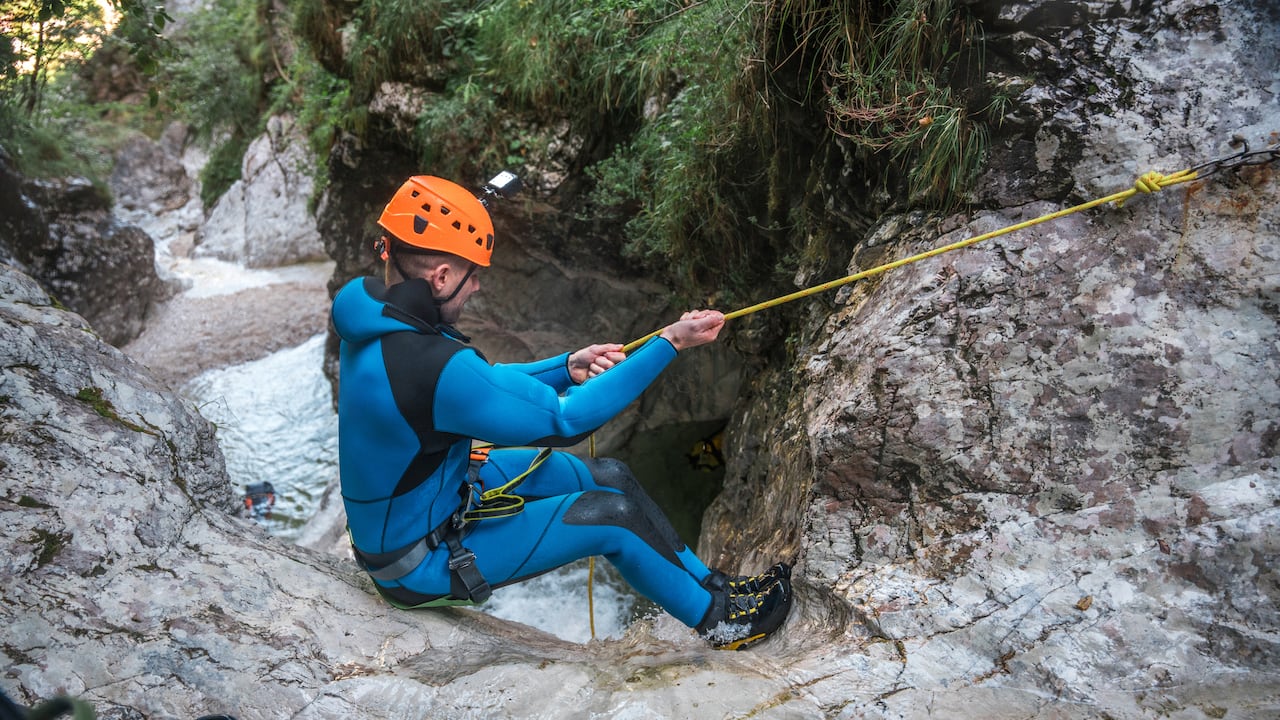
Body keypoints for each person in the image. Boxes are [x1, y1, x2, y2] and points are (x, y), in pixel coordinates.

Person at [330, 174, 792, 650]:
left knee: (609, 475)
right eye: (473, 274)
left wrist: (566, 367)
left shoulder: (375, 315)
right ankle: (725, 624)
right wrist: (669, 343)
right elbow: (565, 422)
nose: (478, 286)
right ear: (442, 277)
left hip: (433, 503)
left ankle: (713, 586)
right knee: (611, 517)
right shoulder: (425, 362)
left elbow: (478, 386)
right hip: (415, 563)